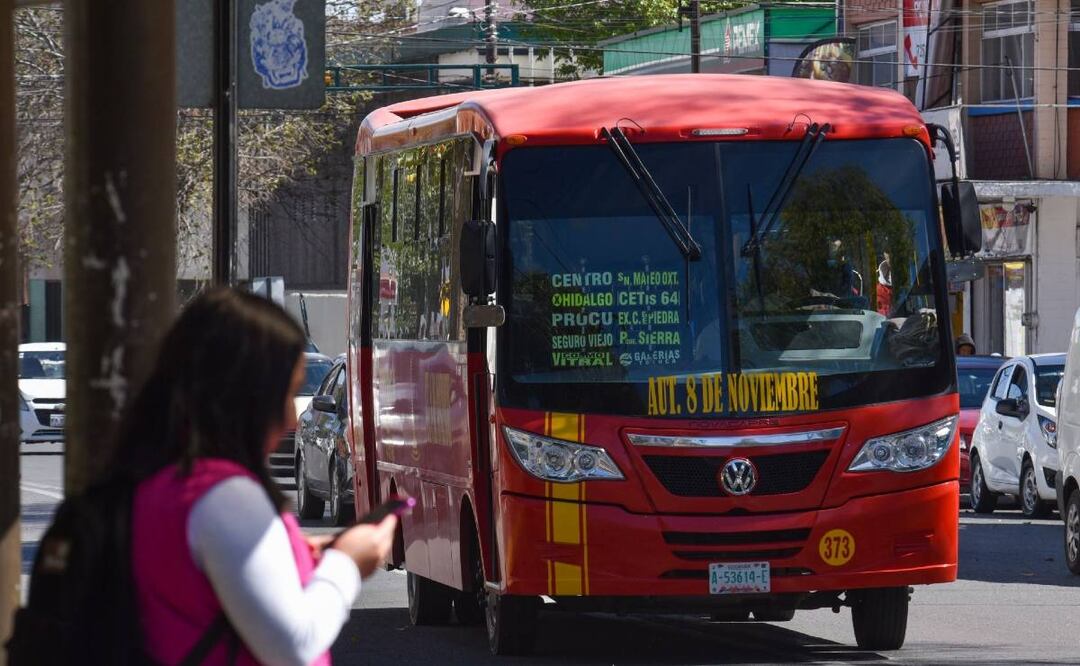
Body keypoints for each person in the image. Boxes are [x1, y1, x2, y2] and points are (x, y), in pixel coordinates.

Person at [112, 288, 396, 665]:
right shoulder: (224, 496)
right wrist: (347, 562)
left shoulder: (163, 479)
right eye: (285, 393)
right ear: (242, 395)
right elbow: (295, 644)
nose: (291, 420)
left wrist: (292, 552)